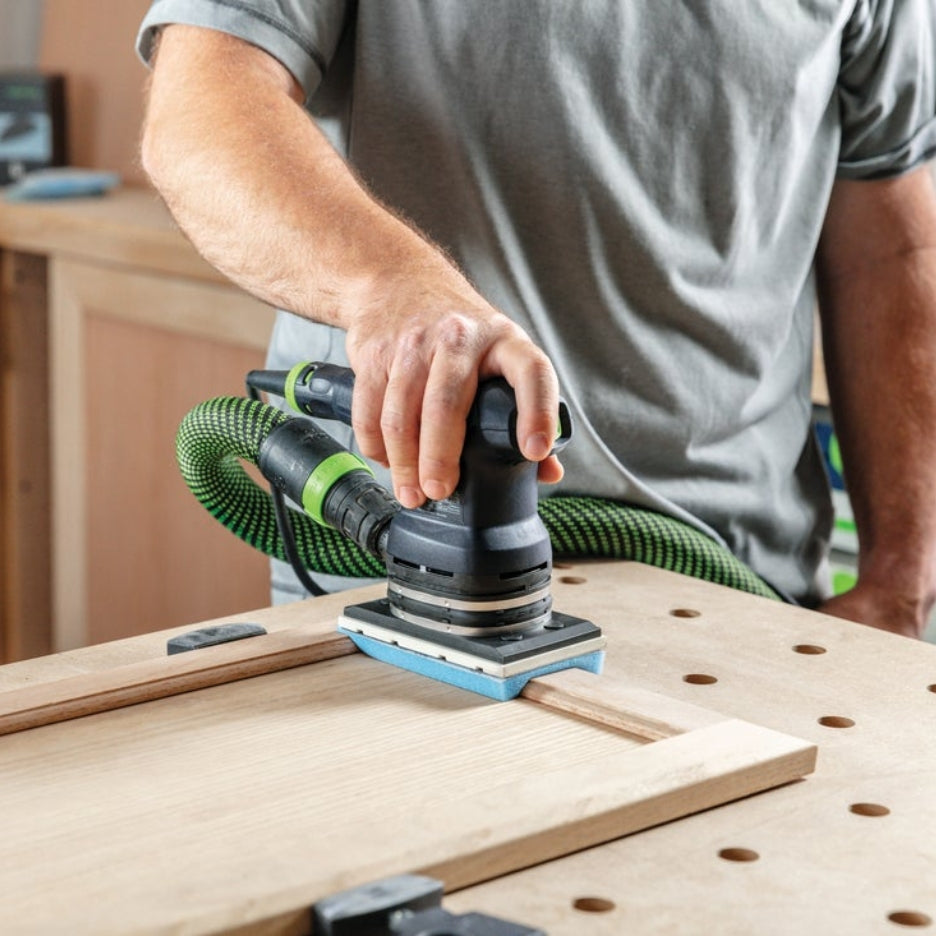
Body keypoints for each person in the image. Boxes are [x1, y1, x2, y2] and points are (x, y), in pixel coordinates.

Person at [136, 2, 936, 637]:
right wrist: (392, 286)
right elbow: (202, 108)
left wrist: (903, 583)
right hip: (403, 577)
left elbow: (891, 251)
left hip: (743, 584)